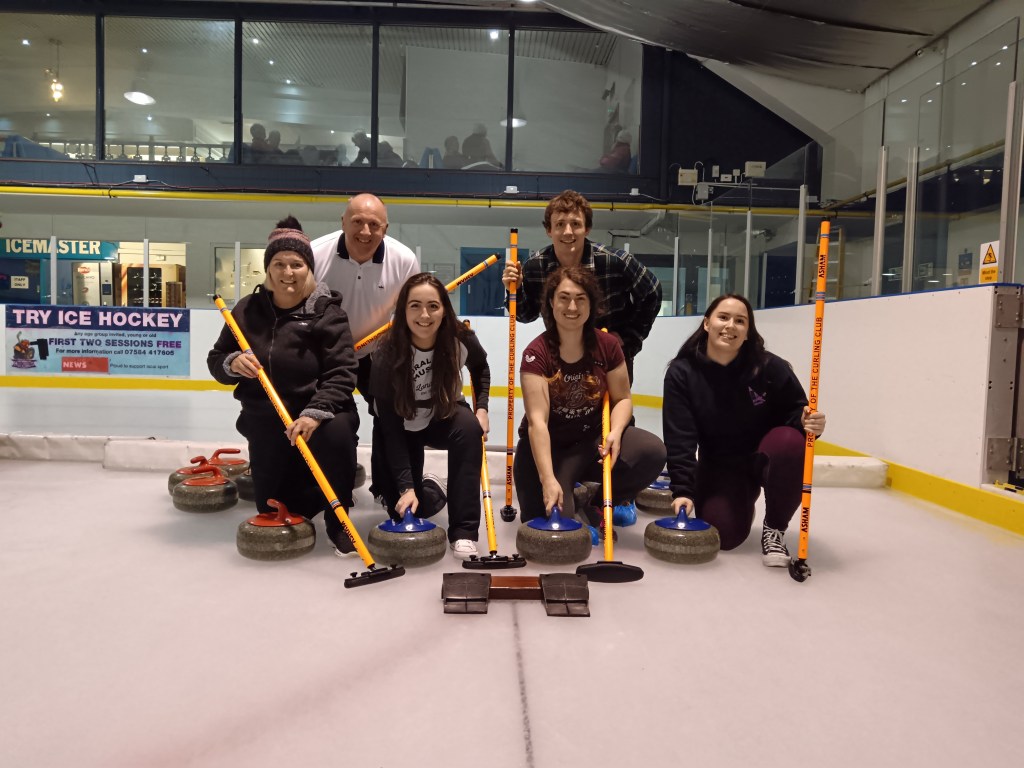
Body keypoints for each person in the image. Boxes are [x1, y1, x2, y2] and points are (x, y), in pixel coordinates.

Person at [208, 217, 361, 557]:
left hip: (319, 416)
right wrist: (231, 363)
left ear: (309, 268)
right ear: (268, 268)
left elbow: (343, 371)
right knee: (272, 502)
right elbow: (216, 358)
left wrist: (313, 414)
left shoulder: (327, 313)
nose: (287, 272)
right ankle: (301, 497)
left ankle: (340, 521)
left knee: (336, 434)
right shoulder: (247, 310)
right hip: (267, 417)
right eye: (278, 263)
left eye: (296, 264)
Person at [662, 293, 827, 568]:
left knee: (790, 443)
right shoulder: (683, 372)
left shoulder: (769, 367)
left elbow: (796, 413)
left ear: (748, 331)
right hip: (721, 464)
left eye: (740, 321)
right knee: (723, 537)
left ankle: (774, 527)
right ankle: (740, 497)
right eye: (723, 317)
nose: (731, 326)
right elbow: (681, 436)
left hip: (765, 454)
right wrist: (683, 490)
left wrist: (808, 422)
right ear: (706, 324)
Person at [513, 266, 665, 534]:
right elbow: (538, 422)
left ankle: (596, 502)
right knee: (549, 522)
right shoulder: (536, 354)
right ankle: (569, 491)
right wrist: (548, 479)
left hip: (592, 442)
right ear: (551, 302)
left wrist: (616, 432)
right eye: (564, 297)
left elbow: (622, 399)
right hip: (550, 447)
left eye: (581, 298)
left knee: (652, 451)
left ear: (591, 304)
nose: (572, 306)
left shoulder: (608, 345)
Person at [369, 273, 490, 560]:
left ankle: (463, 532)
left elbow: (481, 368)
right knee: (411, 507)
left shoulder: (461, 338)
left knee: (470, 429)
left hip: (443, 414)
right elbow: (390, 427)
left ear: (444, 309)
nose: (425, 315)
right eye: (415, 306)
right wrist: (406, 487)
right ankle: (426, 487)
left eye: (433, 306)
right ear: (403, 310)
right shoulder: (387, 351)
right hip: (400, 422)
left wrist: (482, 409)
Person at [311, 194, 420, 498]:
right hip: (328, 355)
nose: (365, 231)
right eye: (357, 222)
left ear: (385, 228)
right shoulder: (315, 254)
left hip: (377, 353)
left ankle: (387, 490)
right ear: (343, 222)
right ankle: (323, 490)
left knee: (392, 416)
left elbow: (412, 312)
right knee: (331, 420)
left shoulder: (404, 260)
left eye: (374, 225)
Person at [501, 189, 661, 382]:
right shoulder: (536, 266)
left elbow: (652, 292)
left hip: (612, 357)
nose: (568, 232)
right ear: (549, 230)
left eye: (575, 224)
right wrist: (515, 290)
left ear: (587, 228)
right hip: (559, 357)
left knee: (617, 409)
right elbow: (525, 315)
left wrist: (630, 338)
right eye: (560, 224)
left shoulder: (616, 262)